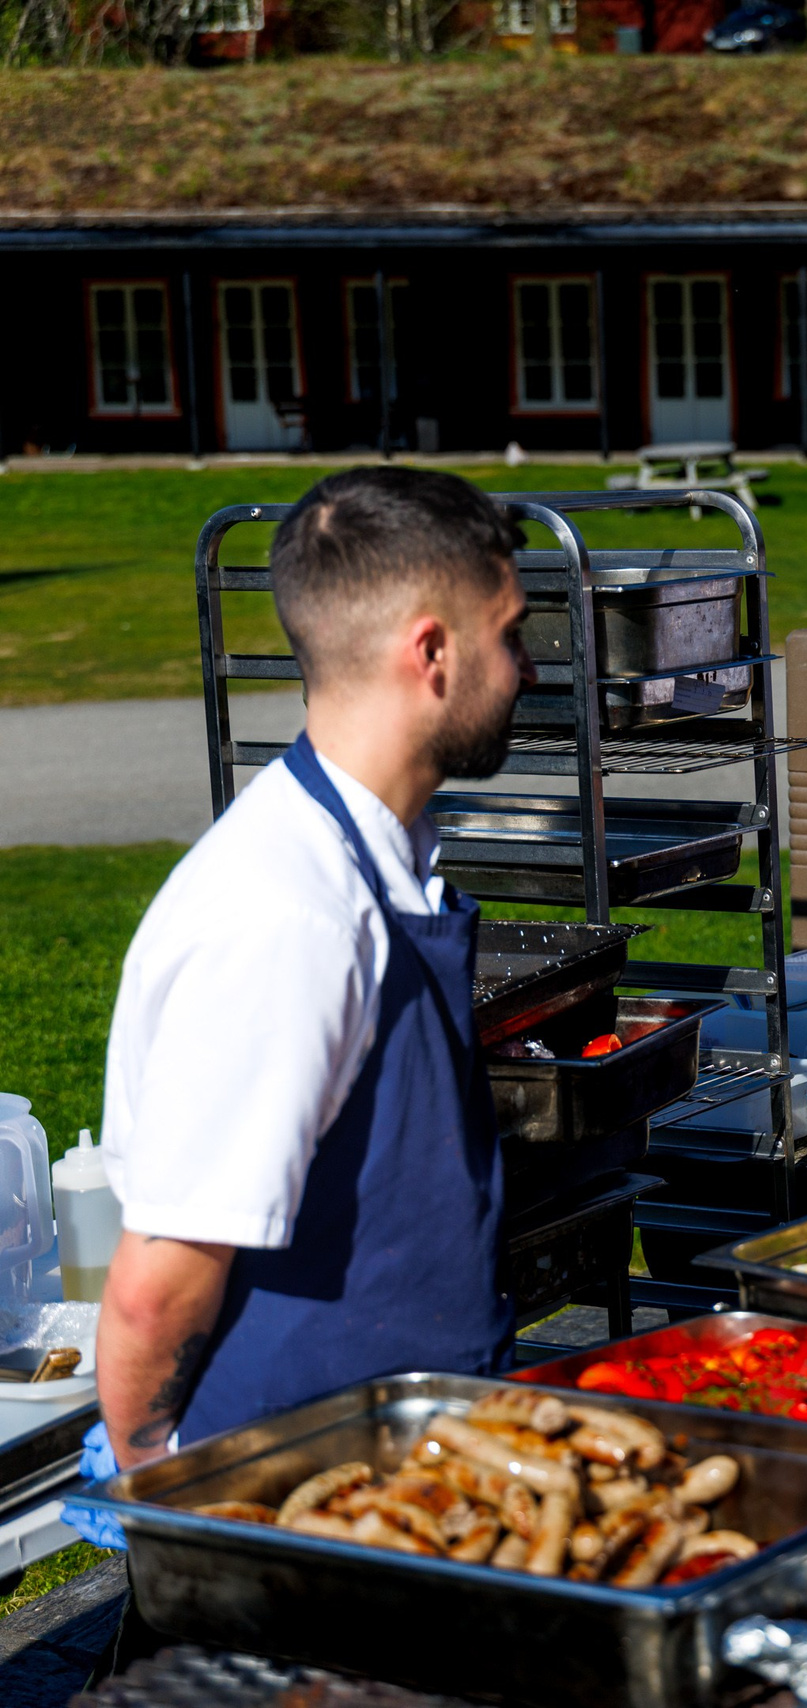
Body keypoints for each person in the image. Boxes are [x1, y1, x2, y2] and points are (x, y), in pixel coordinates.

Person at [75, 467, 534, 1529]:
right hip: (297, 1507)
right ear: (432, 652)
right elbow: (157, 1287)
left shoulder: (372, 860)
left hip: (409, 1473)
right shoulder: (289, 917)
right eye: (508, 635)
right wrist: (165, 1491)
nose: (522, 669)